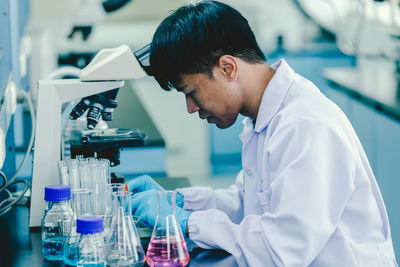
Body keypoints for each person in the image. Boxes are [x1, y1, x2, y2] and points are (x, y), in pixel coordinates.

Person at [128, 1, 397, 266]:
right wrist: (178, 201)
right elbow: (247, 203)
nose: (190, 108)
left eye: (190, 92)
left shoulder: (304, 125)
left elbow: (281, 250)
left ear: (227, 68)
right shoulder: (264, 117)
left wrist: (187, 223)